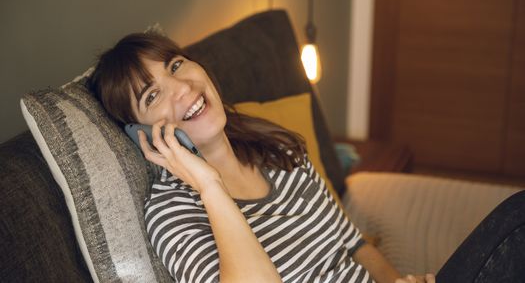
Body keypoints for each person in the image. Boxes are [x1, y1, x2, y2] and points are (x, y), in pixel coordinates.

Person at [95, 31, 525, 283]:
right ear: (144, 135)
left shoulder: (277, 150)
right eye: (152, 95)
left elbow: (351, 242)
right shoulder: (172, 214)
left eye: (175, 65)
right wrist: (209, 185)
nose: (181, 88)